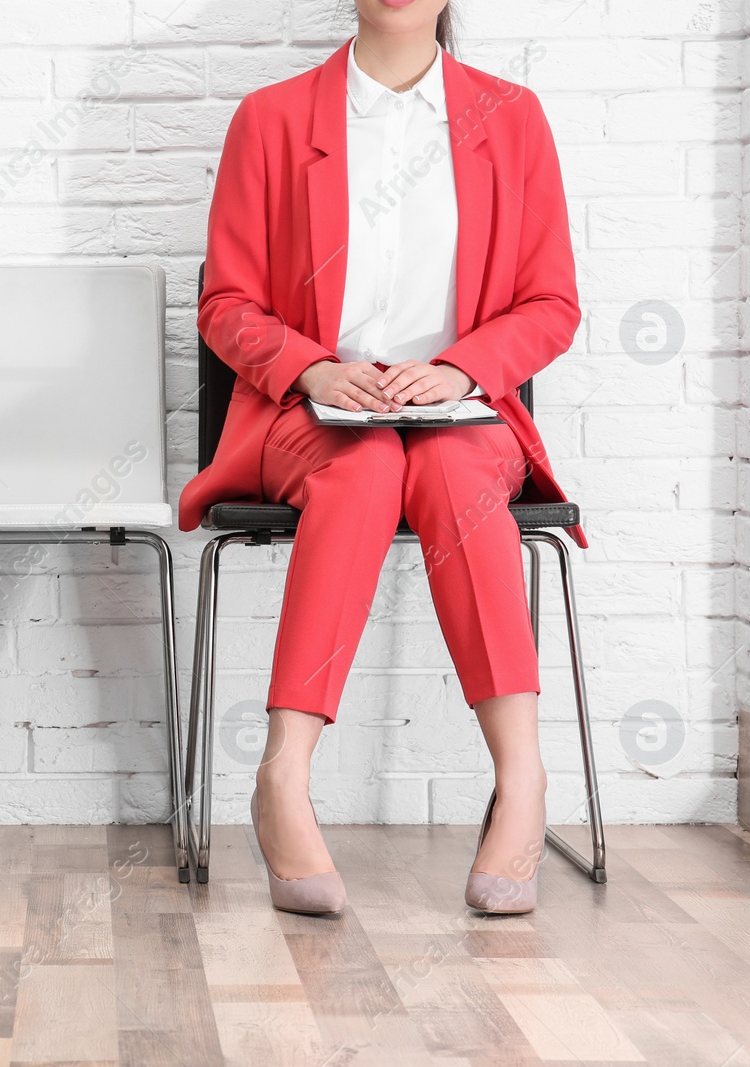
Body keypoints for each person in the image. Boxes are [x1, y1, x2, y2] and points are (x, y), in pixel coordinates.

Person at [180, 0, 586, 916]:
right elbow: (227, 301)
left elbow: (551, 303)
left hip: (460, 414)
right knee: (362, 470)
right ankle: (283, 775)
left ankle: (522, 782)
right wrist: (315, 366)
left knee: (448, 473)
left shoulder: (511, 116)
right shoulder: (272, 118)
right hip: (311, 413)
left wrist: (457, 369)